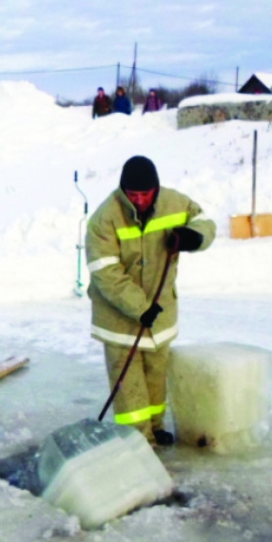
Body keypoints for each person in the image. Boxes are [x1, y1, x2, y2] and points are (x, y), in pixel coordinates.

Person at [85, 156, 215, 445]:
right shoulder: (104, 219)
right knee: (130, 388)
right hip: (119, 318)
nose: (140, 200)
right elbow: (106, 272)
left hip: (160, 314)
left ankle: (155, 427)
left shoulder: (174, 202)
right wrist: (140, 307)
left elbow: (204, 221)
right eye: (134, 195)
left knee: (156, 379)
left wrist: (193, 237)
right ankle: (138, 440)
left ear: (155, 189)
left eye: (146, 194)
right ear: (123, 190)